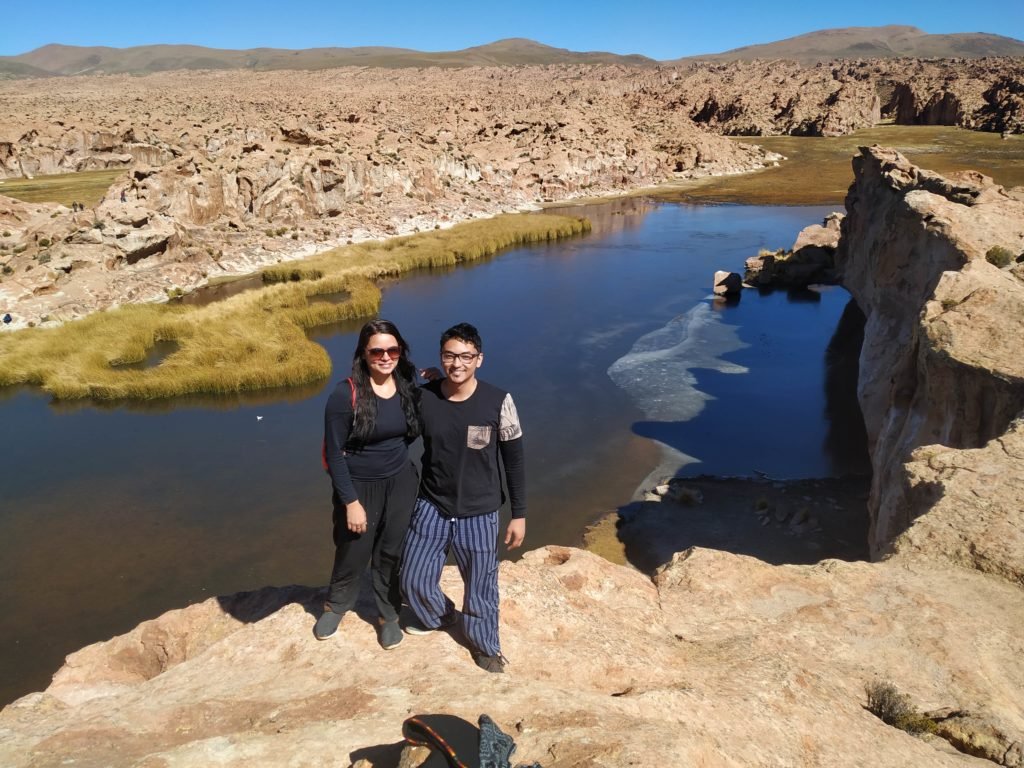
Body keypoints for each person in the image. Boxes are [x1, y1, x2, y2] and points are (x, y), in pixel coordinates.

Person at [401, 322, 526, 673]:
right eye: (450, 356)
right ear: (441, 358)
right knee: (413, 578)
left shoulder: (499, 401)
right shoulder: (425, 397)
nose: (457, 364)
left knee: (481, 586)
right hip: (432, 505)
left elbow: (513, 461)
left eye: (466, 356)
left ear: (479, 359)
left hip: (480, 510)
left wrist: (520, 514)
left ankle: (484, 645)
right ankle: (441, 616)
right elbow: (393, 429)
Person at [316, 319, 421, 649]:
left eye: (393, 349)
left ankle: (388, 614)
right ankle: (337, 605)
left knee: (391, 551)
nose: (386, 357)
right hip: (360, 485)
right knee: (353, 548)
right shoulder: (344, 394)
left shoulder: (407, 386)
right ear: (364, 354)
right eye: (378, 351)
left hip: (401, 481)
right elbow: (333, 454)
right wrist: (350, 501)